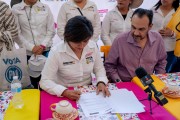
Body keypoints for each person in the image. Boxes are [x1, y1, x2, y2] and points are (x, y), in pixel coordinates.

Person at [40, 16, 110, 101]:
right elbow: (45, 81)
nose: (82, 45)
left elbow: (99, 69)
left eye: (85, 41)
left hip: (87, 90)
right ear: (68, 37)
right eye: (77, 42)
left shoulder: (92, 46)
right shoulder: (56, 52)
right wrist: (64, 92)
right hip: (65, 91)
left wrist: (101, 82)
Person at [104, 8, 167, 82]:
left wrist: (158, 79)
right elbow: (109, 65)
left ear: (150, 26)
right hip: (125, 83)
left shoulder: (157, 39)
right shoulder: (120, 40)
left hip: (147, 83)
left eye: (141, 29)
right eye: (133, 27)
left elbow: (161, 62)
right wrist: (119, 82)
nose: (136, 33)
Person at [12, 0, 55, 88]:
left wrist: (42, 45)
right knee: (31, 84)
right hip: (27, 53)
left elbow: (51, 30)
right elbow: (16, 33)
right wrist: (31, 47)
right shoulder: (16, 9)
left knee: (48, 81)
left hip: (45, 51)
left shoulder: (45, 8)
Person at [151, 0, 179, 73]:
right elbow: (145, 28)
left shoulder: (178, 12)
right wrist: (155, 33)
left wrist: (172, 33)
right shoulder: (152, 10)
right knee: (149, 73)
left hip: (169, 50)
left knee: (163, 73)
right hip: (152, 48)